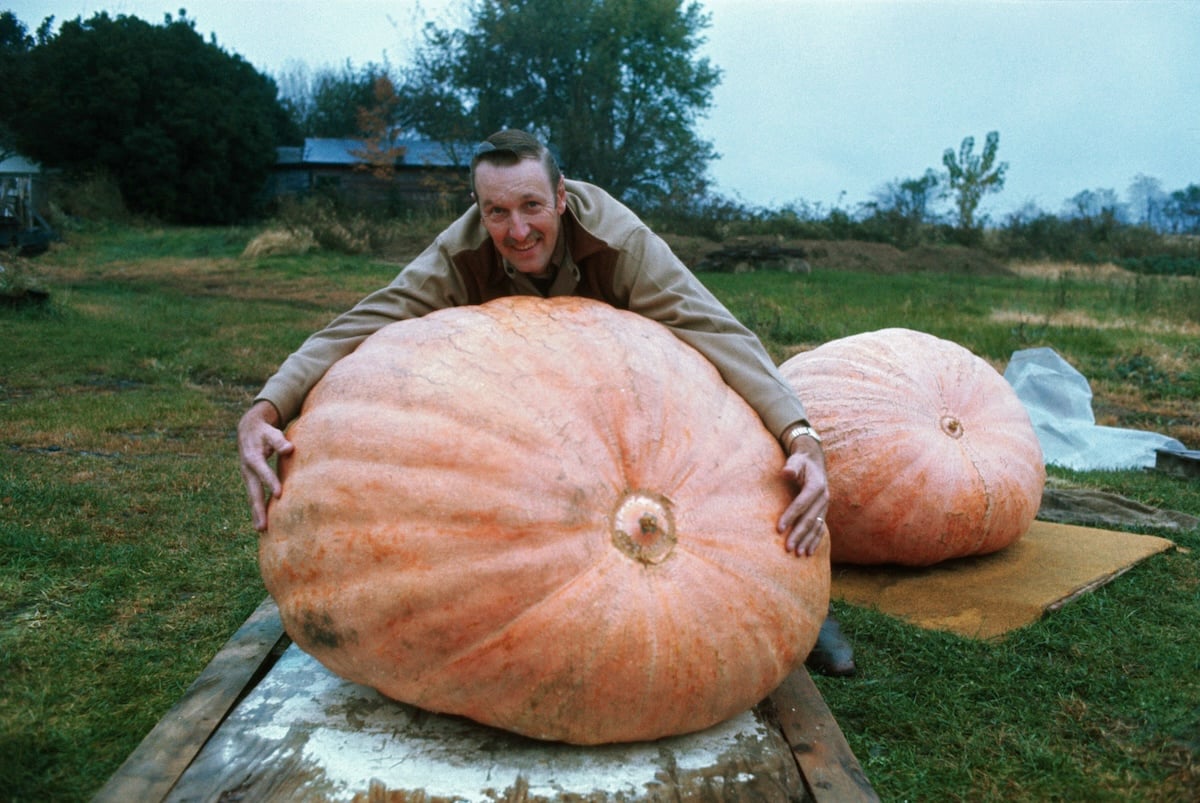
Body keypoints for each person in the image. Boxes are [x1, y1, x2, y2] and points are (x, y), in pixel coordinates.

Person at [237, 128, 855, 676]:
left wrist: (800, 434)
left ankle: (798, 597)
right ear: (479, 210)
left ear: (561, 196)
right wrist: (267, 406)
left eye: (532, 206)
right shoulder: (464, 249)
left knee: (727, 471)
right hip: (528, 410)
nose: (518, 229)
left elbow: (713, 328)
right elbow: (370, 318)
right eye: (497, 212)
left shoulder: (619, 243)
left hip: (631, 395)